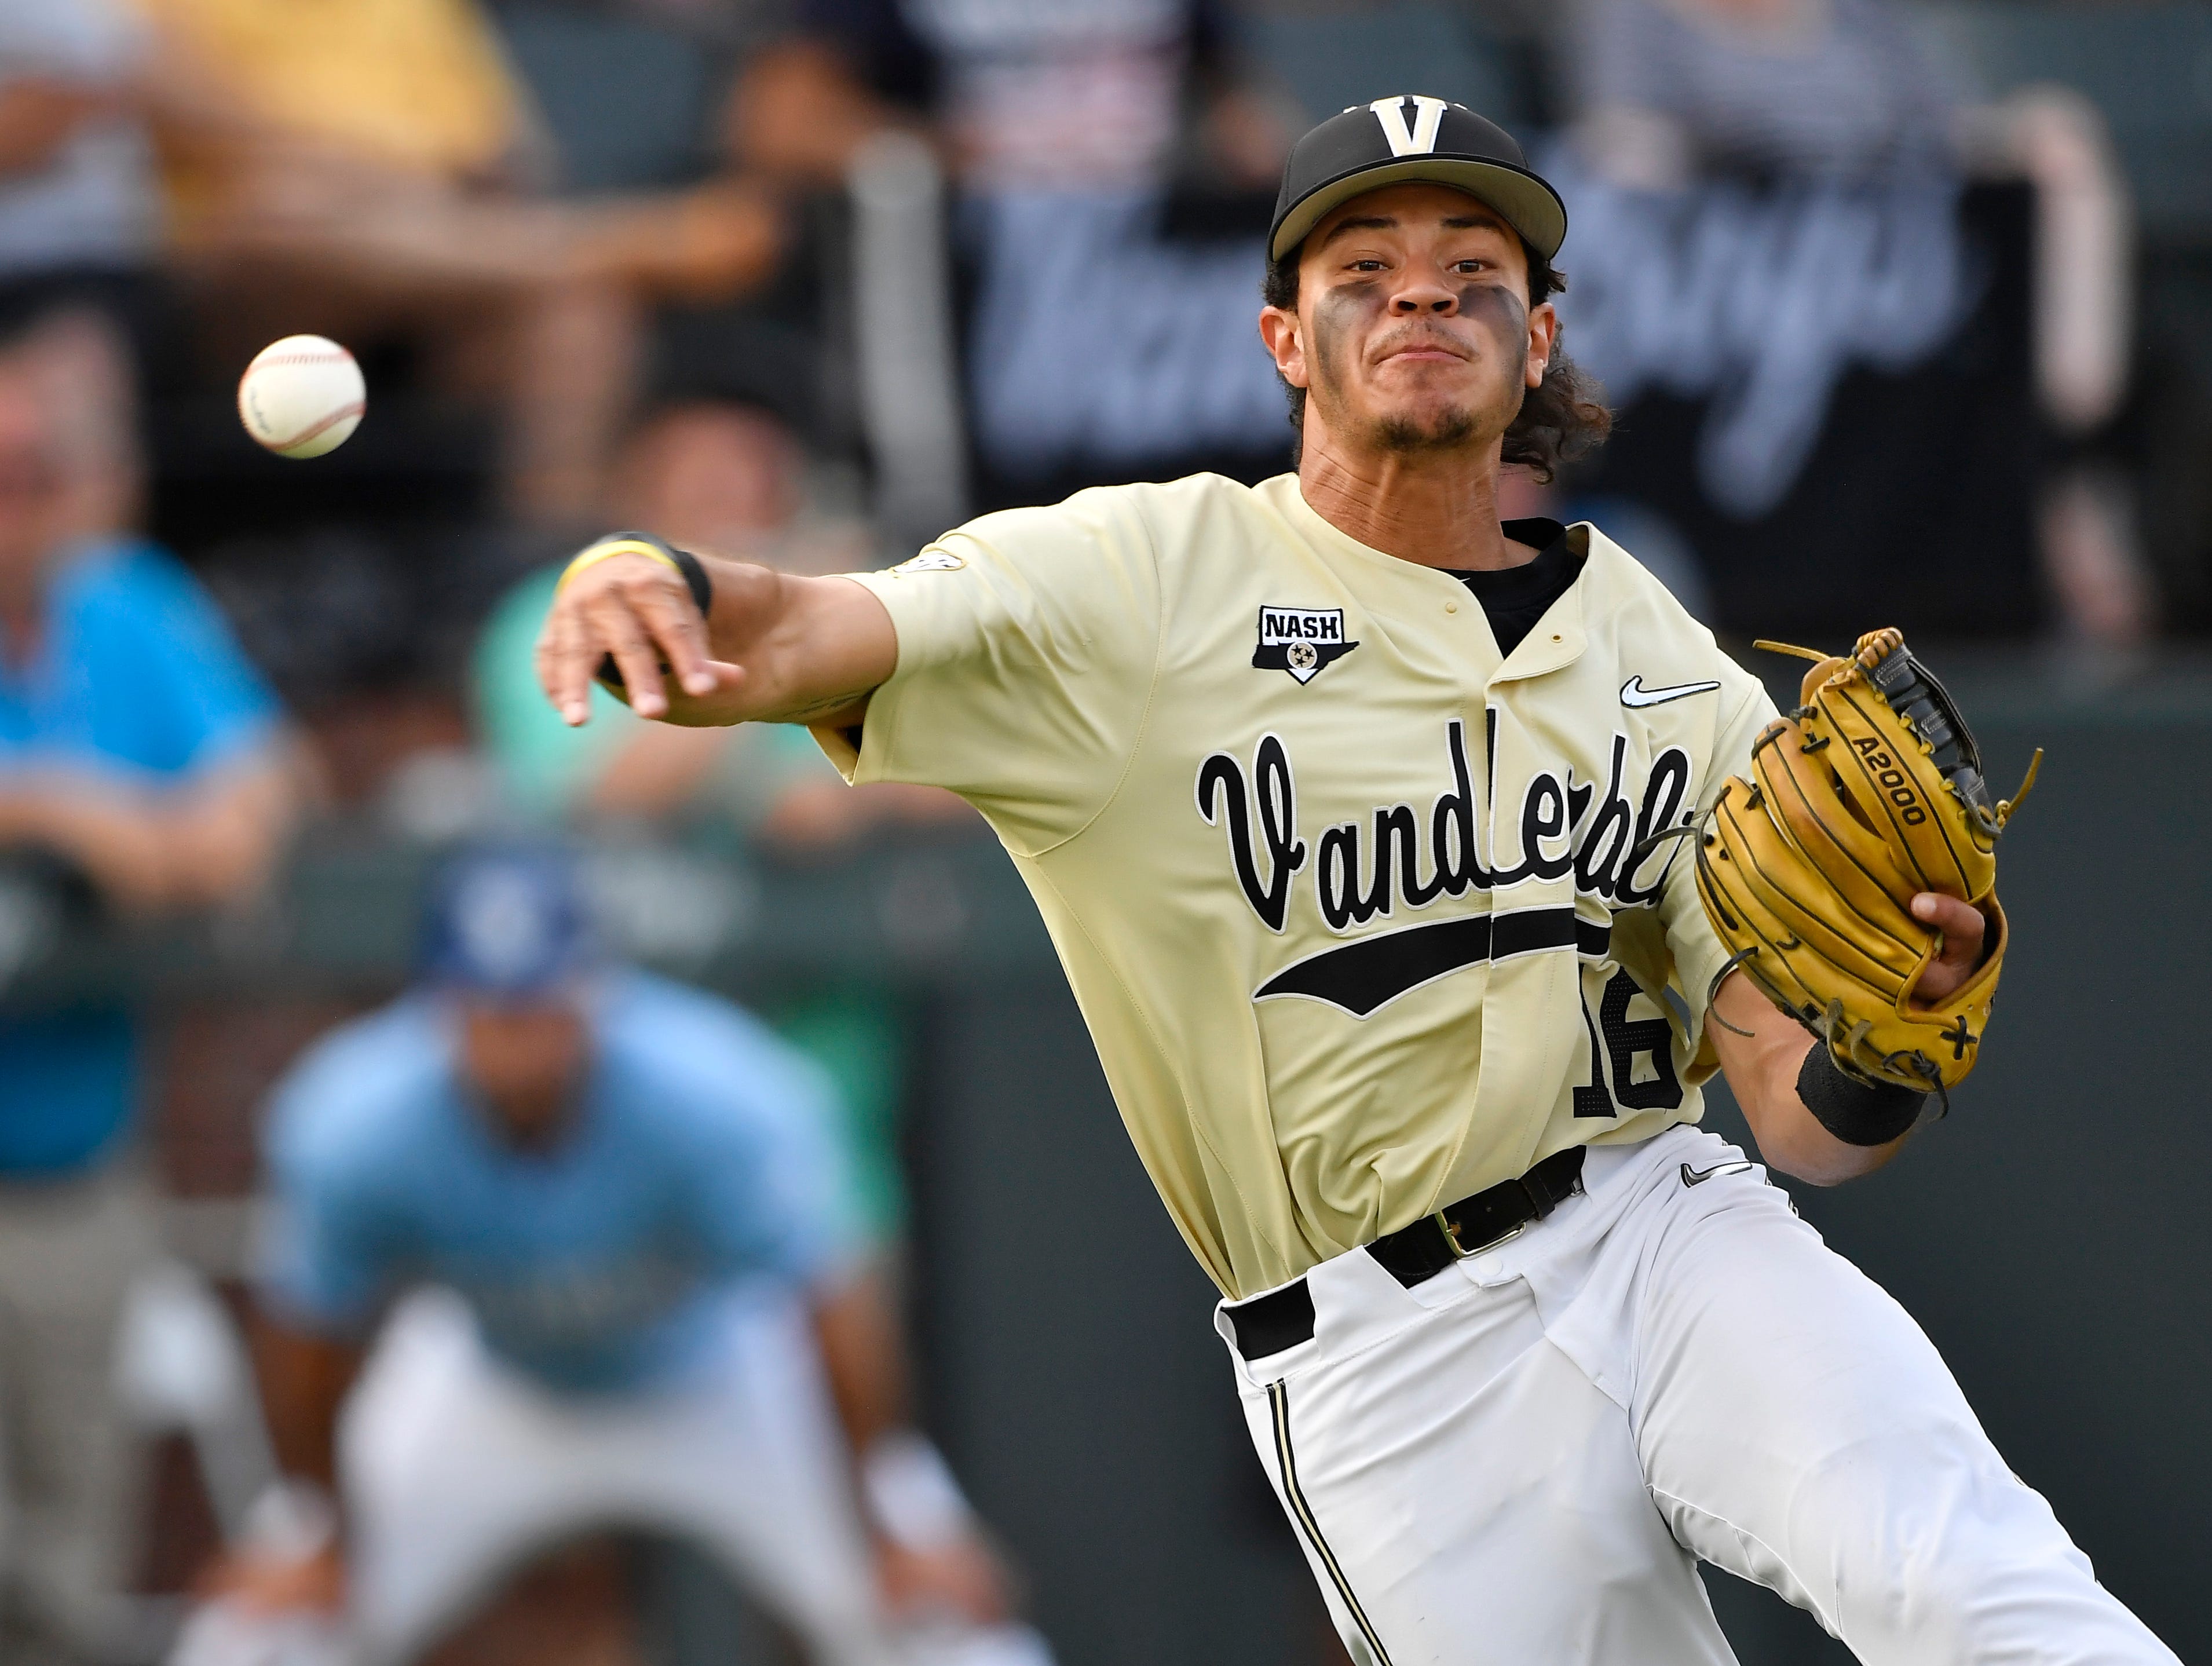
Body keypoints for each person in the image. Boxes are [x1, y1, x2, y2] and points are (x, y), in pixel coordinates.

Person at [533, 98, 2182, 1661]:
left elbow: (1794, 1114)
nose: (1422, 296)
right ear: (1281, 341)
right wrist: (645, 570)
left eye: (1475, 274)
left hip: (1662, 1235)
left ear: (1535, 340)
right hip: (1390, 1359)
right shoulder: (1139, 579)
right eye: (1363, 271)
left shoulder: (1665, 661)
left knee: (1971, 1579)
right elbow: (821, 625)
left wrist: (1890, 1034)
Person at [212, 845, 1040, 1666]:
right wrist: (322, 1529)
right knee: (264, 1641)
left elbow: (832, 1302)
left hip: (716, 1374)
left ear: (592, 989)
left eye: (541, 1003)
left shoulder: (716, 1088)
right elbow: (305, 1333)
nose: (520, 1040)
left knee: (950, 1634)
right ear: (440, 1006)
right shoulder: (353, 1117)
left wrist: (886, 1525)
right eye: (493, 1010)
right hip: (490, 1382)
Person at [0, 312, 304, 1666]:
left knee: (65, 1583)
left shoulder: (121, 602)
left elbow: (258, 789)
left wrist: (168, 830)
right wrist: (60, 804)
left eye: (43, 472)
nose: (27, 503)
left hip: (70, 1171)